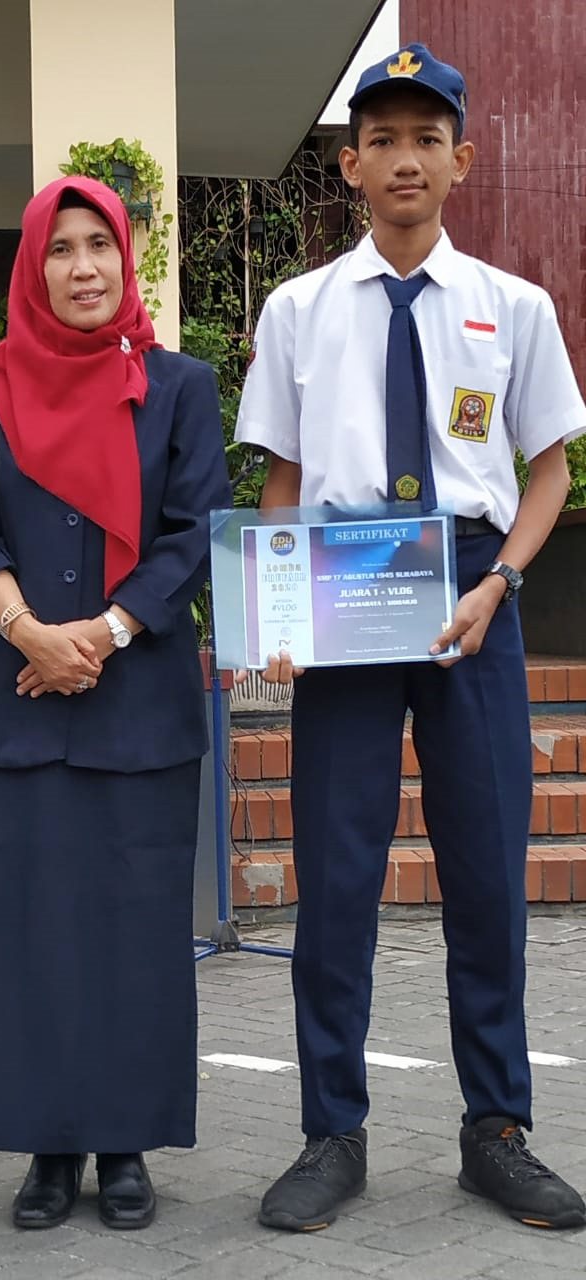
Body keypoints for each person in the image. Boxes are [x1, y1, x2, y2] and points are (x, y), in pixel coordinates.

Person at [235, 44, 586, 1233]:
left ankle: (496, 1130)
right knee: (335, 880)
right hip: (345, 603)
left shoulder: (512, 307)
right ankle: (329, 1131)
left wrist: (498, 583)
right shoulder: (297, 310)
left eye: (424, 139)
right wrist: (276, 610)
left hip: (471, 600)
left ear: (459, 160)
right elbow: (284, 479)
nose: (402, 158)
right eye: (379, 139)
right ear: (347, 165)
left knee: (484, 875)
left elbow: (546, 472)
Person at [0, 175, 230, 1230]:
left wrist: (104, 633)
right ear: (33, 266)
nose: (81, 267)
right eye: (59, 248)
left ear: (125, 258)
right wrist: (28, 630)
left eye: (97, 245)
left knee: (137, 931)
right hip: (18, 702)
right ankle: (48, 1146)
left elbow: (194, 530)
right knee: (29, 933)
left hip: (138, 699)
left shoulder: (178, 385)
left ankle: (125, 1143)